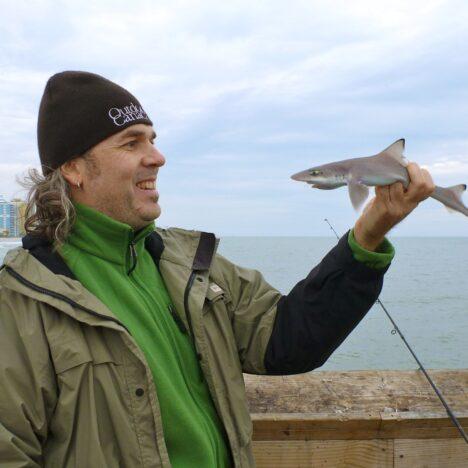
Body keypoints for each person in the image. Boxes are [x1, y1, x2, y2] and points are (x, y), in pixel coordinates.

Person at [0, 71, 435, 468]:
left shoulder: (188, 263)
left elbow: (288, 339)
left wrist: (368, 237)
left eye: (152, 139)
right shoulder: (21, 301)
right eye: (131, 143)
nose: (158, 157)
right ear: (73, 168)